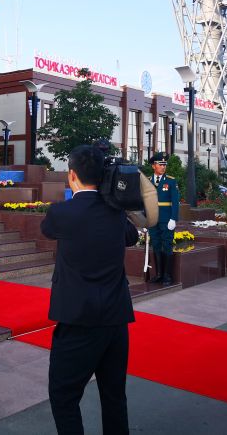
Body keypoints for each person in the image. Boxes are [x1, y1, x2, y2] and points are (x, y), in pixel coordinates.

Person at [41, 144, 139, 435]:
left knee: (63, 396)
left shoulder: (62, 213)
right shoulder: (116, 213)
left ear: (71, 175)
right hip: (115, 319)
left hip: (78, 320)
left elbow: (47, 229)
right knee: (114, 396)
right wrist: (114, 200)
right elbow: (132, 236)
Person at [147, 152, 180, 286]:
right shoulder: (148, 181)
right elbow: (144, 201)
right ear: (153, 166)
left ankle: (167, 275)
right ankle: (159, 274)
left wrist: (173, 218)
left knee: (167, 245)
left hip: (166, 219)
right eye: (160, 164)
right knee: (156, 244)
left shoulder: (171, 181)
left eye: (164, 164)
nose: (163, 167)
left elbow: (175, 201)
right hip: (152, 218)